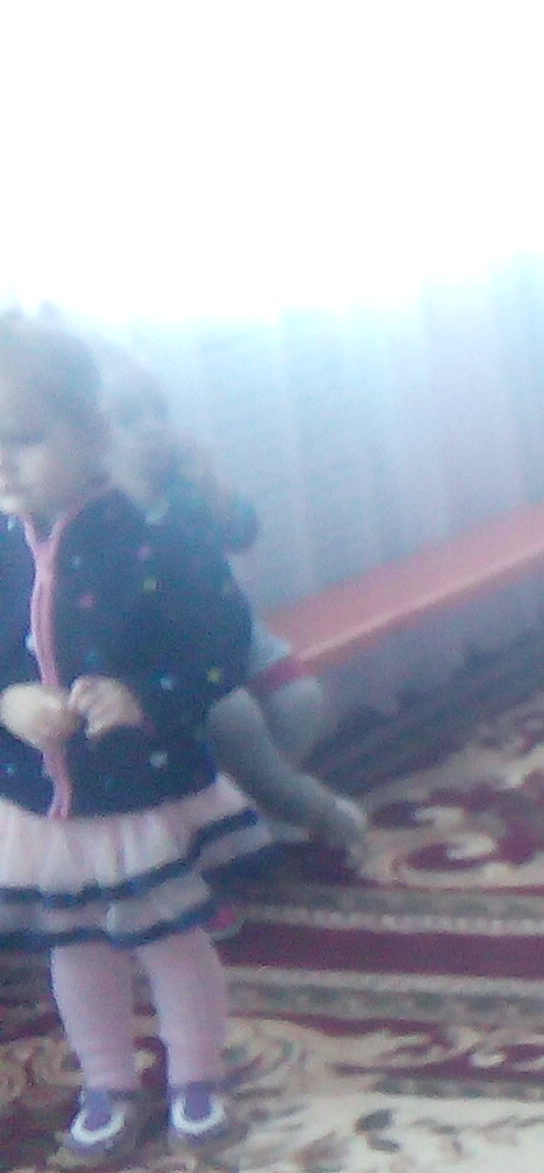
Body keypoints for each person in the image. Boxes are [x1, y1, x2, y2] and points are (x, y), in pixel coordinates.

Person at [0, 317, 270, 1152]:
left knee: (169, 939)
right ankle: (108, 1080)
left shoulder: (158, 543)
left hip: (140, 789)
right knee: (76, 946)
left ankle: (196, 1072)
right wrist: (8, 701)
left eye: (23, 439)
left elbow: (222, 646)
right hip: (41, 806)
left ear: (91, 432)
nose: (3, 462)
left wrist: (143, 697)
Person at [96, 350, 367, 850]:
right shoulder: (104, 514)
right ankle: (312, 808)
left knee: (302, 700)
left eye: (159, 413)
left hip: (234, 628)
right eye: (130, 419)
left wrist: (211, 484)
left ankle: (259, 806)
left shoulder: (184, 488)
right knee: (236, 717)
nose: (153, 428)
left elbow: (242, 532)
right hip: (176, 656)